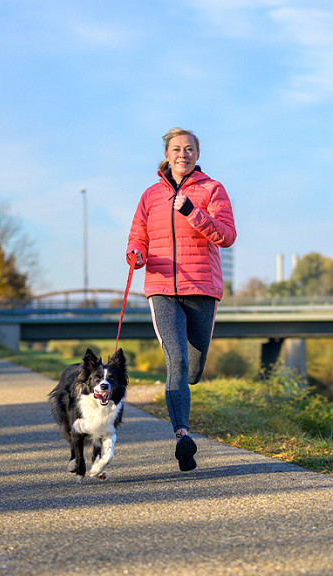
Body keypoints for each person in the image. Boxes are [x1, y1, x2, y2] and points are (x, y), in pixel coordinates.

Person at [126, 128, 237, 471]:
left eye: (189, 149)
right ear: (167, 154)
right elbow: (137, 237)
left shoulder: (212, 189)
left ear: (197, 154)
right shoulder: (149, 195)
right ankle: (182, 436)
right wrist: (135, 254)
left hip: (202, 288)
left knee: (194, 366)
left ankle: (187, 386)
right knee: (177, 361)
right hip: (161, 287)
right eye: (176, 149)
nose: (182, 154)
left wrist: (192, 212)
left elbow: (227, 236)